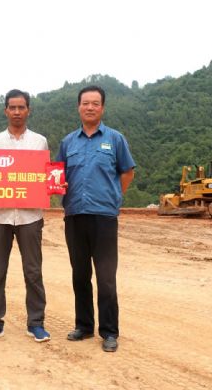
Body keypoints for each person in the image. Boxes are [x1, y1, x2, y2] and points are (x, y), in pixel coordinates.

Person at [56, 85, 135, 352]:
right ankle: (84, 326)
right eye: (85, 103)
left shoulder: (115, 139)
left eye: (95, 103)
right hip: (75, 215)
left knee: (106, 277)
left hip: (104, 217)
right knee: (80, 275)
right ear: (78, 107)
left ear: (102, 107)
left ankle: (109, 331)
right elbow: (57, 176)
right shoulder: (68, 142)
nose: (90, 107)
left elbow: (127, 172)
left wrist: (114, 197)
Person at [0, 89, 51, 343]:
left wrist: (55, 185)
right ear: (6, 111)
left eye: (21, 107)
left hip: (30, 217)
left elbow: (45, 177)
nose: (17, 112)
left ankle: (36, 323)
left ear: (28, 110)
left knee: (33, 272)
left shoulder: (40, 142)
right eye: (12, 107)